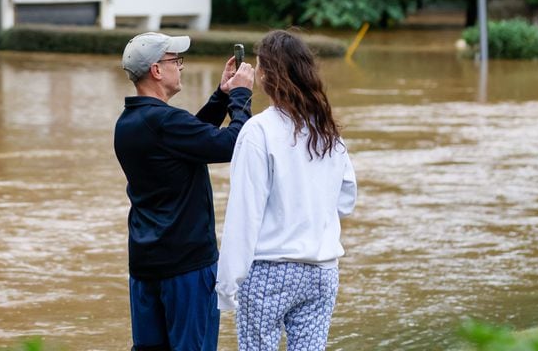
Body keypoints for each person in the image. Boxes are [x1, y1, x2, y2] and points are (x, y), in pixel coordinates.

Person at [215, 29, 357, 351]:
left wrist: (227, 286)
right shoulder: (327, 131)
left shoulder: (258, 131)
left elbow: (244, 214)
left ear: (265, 76)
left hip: (270, 271)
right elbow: (346, 200)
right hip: (322, 271)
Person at [114, 32, 254, 351]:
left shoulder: (130, 122)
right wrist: (241, 96)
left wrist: (221, 95)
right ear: (156, 70)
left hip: (145, 265)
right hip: (187, 265)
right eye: (175, 60)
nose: (181, 66)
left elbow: (190, 140)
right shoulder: (166, 122)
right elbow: (234, 143)